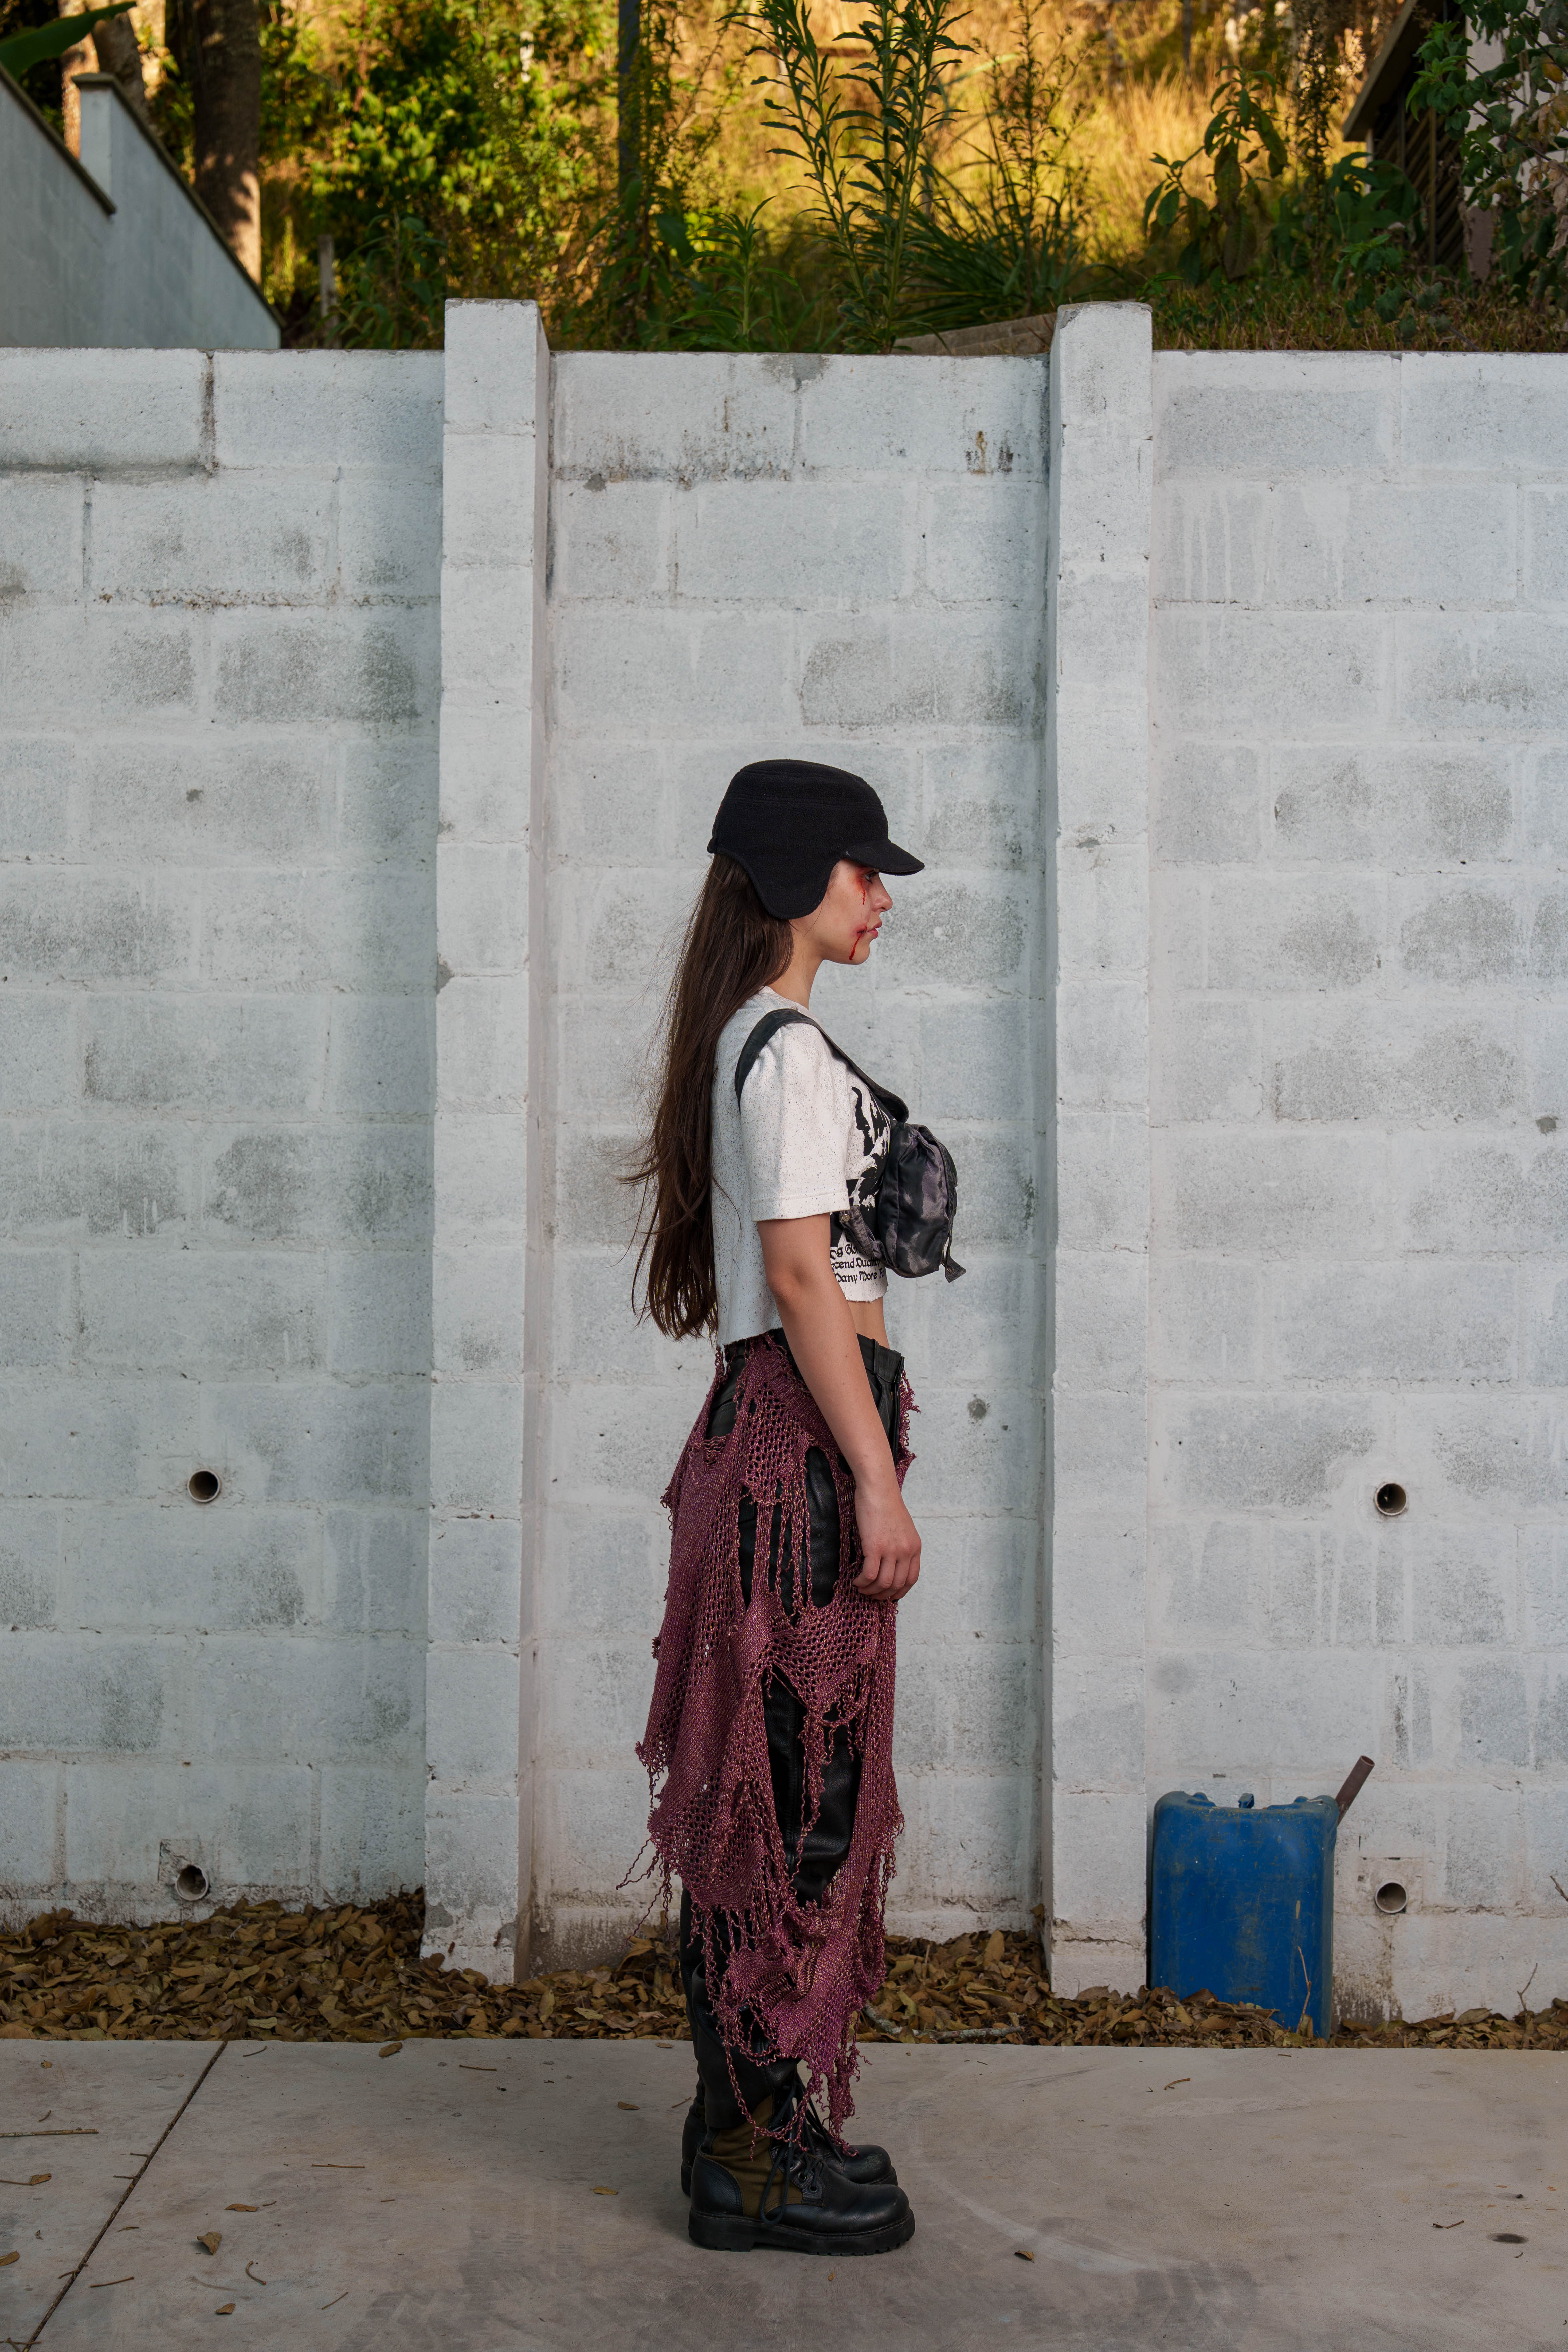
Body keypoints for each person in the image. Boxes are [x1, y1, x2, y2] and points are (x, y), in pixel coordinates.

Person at [628, 758, 941, 2257]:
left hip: (784, 1436)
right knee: (791, 1813)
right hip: (803, 1452)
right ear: (792, 874)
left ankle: (743, 2134)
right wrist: (872, 1477)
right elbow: (806, 1277)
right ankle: (754, 2162)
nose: (881, 897)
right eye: (864, 870)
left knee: (775, 1796)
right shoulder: (786, 1049)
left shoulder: (753, 1039)